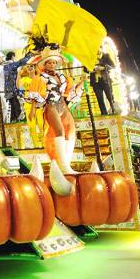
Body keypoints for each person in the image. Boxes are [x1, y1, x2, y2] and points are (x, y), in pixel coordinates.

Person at [25, 45, 84, 182]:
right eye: (49, 62)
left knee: (70, 132)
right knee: (59, 131)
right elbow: (36, 92)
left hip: (63, 106)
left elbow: (69, 93)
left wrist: (80, 84)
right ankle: (62, 165)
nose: (52, 64)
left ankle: (66, 163)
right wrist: (33, 109)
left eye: (54, 62)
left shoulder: (62, 76)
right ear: (44, 64)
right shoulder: (42, 77)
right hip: (51, 106)